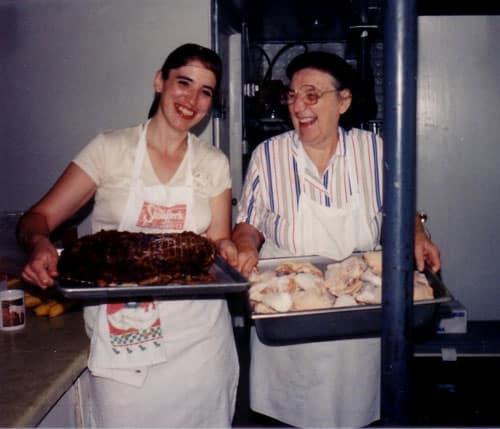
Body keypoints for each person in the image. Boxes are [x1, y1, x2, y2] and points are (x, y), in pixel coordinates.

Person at [17, 43, 239, 428]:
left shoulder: (213, 163)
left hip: (199, 342)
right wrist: (39, 243)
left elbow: (218, 244)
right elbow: (37, 217)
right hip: (124, 338)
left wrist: (233, 249)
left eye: (205, 92)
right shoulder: (109, 149)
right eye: (183, 83)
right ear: (159, 81)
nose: (192, 100)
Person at [232, 51, 441, 428]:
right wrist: (245, 244)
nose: (299, 106)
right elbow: (248, 222)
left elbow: (401, 208)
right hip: (289, 312)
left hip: (357, 314)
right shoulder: (269, 155)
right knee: (291, 415)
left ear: (343, 101)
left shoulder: (373, 151)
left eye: (312, 95)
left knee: (356, 413)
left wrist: (417, 233)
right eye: (292, 95)